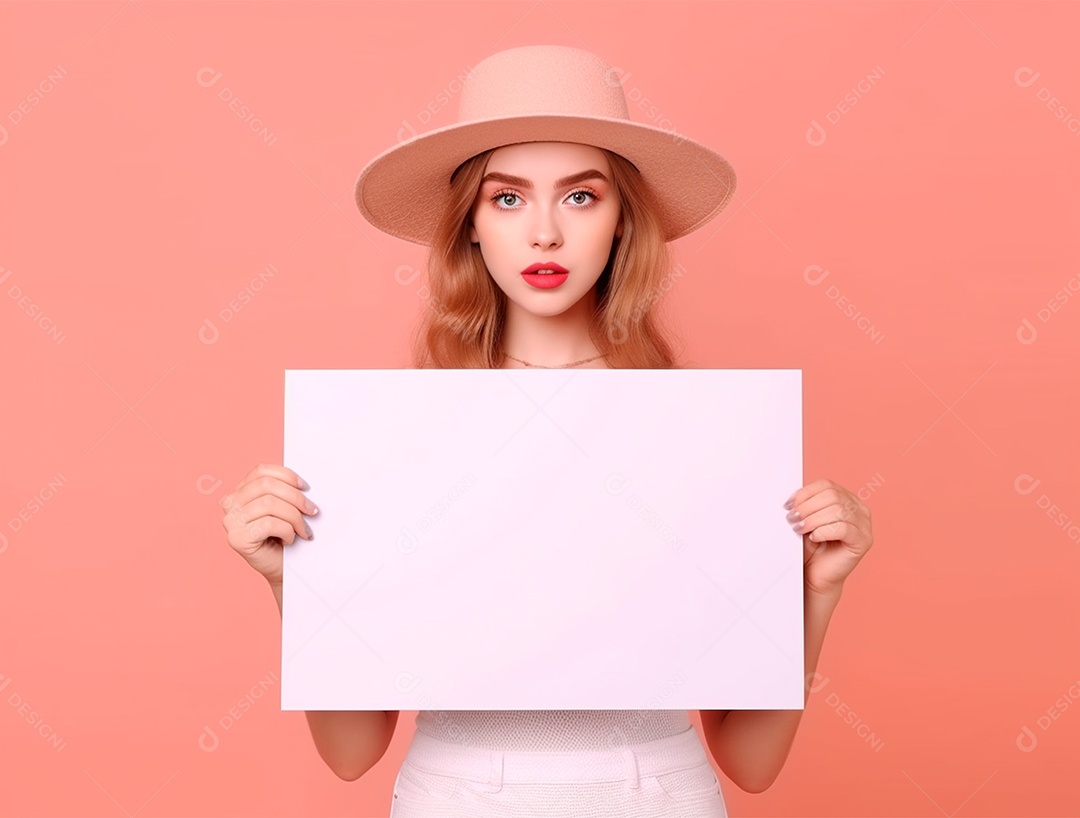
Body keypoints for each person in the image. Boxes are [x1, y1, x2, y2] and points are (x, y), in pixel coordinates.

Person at [219, 44, 876, 818]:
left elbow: (751, 763)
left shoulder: (708, 437)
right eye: (507, 198)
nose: (544, 234)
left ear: (623, 220)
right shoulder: (395, 442)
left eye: (580, 197)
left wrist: (817, 591)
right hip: (453, 797)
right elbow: (352, 753)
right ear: (469, 224)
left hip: (660, 796)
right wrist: (290, 579)